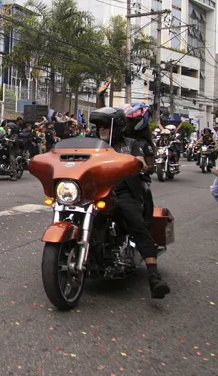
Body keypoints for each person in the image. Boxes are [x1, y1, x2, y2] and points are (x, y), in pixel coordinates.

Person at [90, 106, 170, 299]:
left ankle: (153, 276)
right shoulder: (91, 146)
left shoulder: (131, 144)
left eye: (105, 126)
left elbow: (141, 162)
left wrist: (138, 163)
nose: (101, 129)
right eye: (99, 126)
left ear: (117, 127)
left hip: (122, 192)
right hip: (94, 192)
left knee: (136, 223)